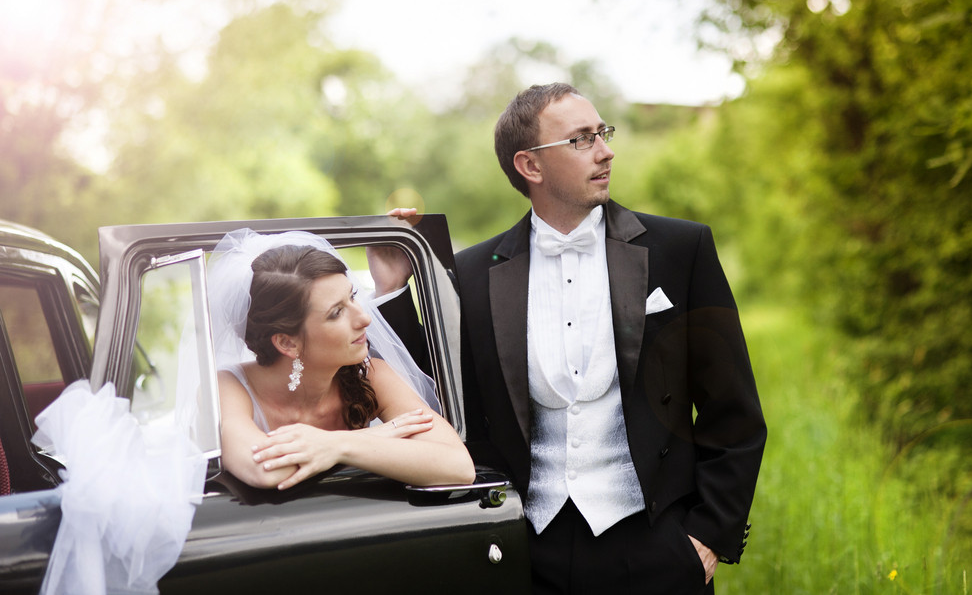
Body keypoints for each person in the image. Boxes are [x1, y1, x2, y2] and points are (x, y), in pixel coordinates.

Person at [375, 83, 766, 594]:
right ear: (530, 166)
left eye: (602, 133)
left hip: (657, 546)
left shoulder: (680, 249)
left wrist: (708, 536)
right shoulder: (472, 274)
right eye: (582, 139)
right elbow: (432, 398)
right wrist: (390, 289)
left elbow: (732, 409)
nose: (606, 151)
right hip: (529, 550)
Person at [207, 228, 475, 491]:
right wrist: (372, 436)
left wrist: (336, 445)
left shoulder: (372, 375)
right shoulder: (226, 387)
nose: (364, 318)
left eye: (353, 297)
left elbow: (458, 466)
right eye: (336, 312)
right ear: (288, 342)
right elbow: (266, 470)